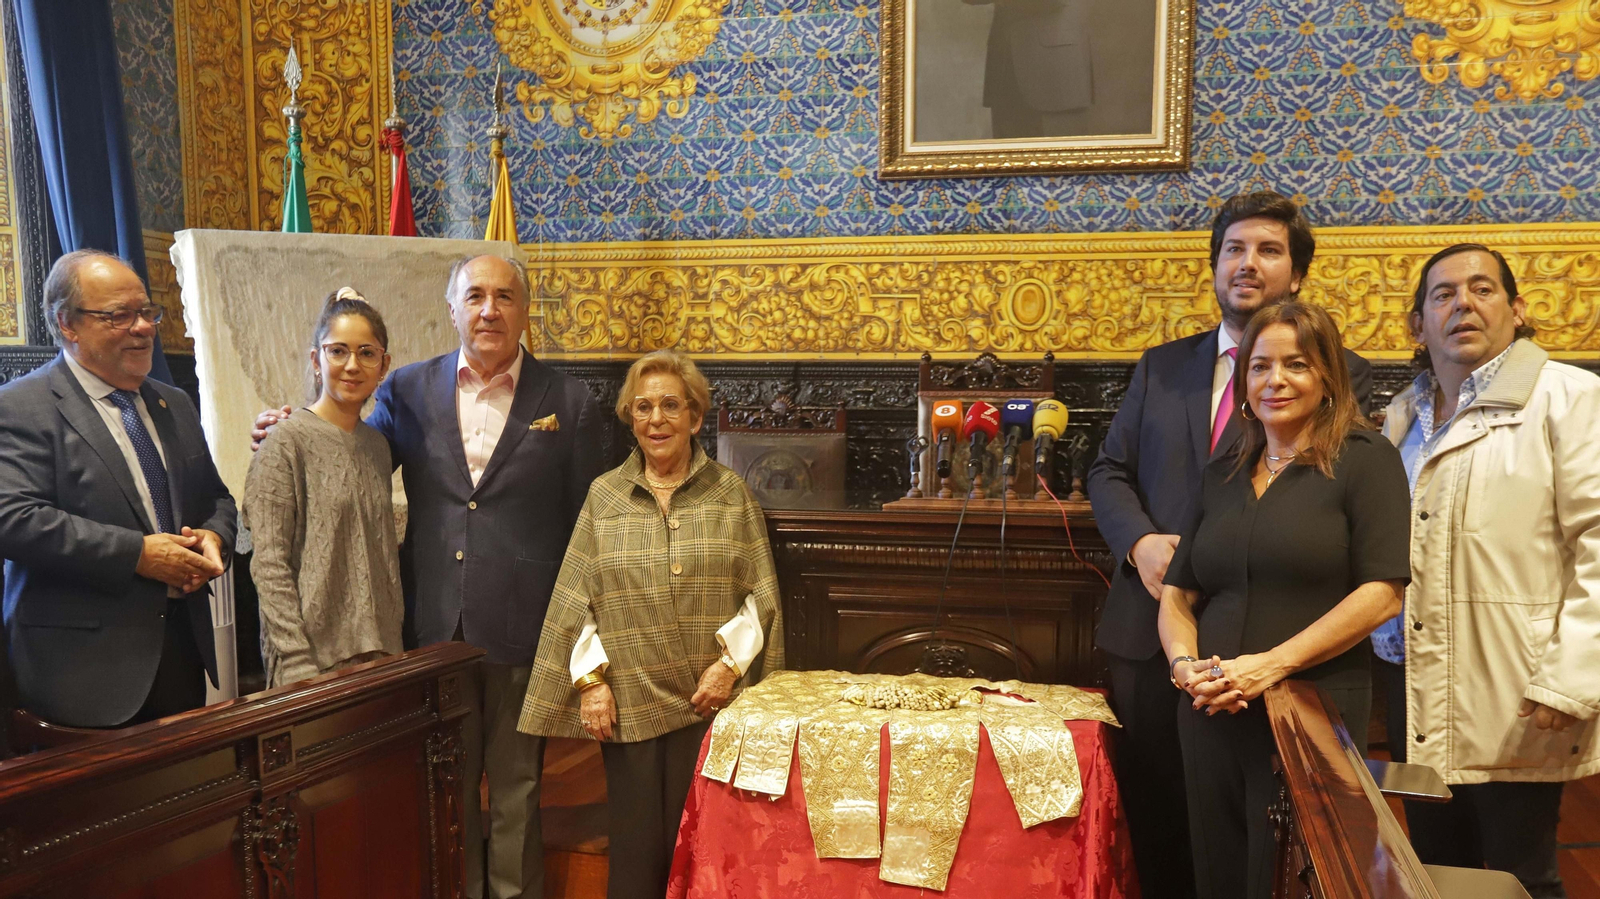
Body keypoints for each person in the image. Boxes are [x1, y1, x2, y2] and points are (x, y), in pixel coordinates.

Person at [253, 255, 606, 899]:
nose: (490, 309)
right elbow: (351, 446)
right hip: (427, 627)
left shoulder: (570, 400)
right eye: (475, 296)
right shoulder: (408, 388)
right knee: (440, 783)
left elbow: (594, 523)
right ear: (453, 310)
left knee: (518, 790)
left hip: (524, 627)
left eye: (504, 296)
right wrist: (288, 428)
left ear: (526, 311)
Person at [1086, 190, 1372, 899]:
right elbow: (1108, 470)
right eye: (1234, 249)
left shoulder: (1343, 371)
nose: (1248, 264)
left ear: (1297, 274)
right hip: (1157, 637)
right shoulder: (1162, 366)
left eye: (1268, 250)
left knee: (1262, 845)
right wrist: (1143, 543)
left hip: (1270, 643)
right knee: (1155, 822)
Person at [1158, 301, 1411, 899]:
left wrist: (1267, 668)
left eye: (1295, 364)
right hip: (1209, 709)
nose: (1275, 380)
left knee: (1290, 880)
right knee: (1217, 873)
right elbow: (1178, 590)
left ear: (1326, 376)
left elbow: (1382, 595)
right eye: (1260, 366)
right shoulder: (1226, 466)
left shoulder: (1365, 459)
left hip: (1309, 712)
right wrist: (1182, 666)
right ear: (1243, 381)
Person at [1373, 244, 1600, 899]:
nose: (1462, 304)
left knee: (1517, 877)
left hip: (1520, 687)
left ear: (1517, 308)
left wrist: (1572, 673)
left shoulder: (1569, 397)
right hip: (1414, 682)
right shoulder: (1401, 417)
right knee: (1442, 873)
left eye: (1482, 289)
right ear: (1418, 324)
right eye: (1443, 294)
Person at [517, 349, 784, 899]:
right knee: (637, 853)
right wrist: (591, 684)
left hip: (709, 697)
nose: (656, 419)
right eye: (643, 407)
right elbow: (575, 600)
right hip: (630, 695)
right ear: (629, 419)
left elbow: (761, 597)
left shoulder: (730, 493)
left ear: (695, 416)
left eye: (670, 405)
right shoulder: (604, 496)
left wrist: (730, 667)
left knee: (705, 842)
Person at [0, 250, 235, 727]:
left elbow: (216, 499)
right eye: (120, 316)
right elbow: (14, 519)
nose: (144, 327)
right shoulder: (21, 406)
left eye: (147, 312)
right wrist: (137, 554)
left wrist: (214, 539)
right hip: (81, 672)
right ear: (68, 324)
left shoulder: (175, 402)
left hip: (179, 655)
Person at [245, 287, 402, 688]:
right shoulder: (285, 440)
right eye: (338, 351)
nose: (352, 365)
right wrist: (296, 659)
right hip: (312, 662)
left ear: (383, 366)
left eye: (367, 353)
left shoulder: (378, 446)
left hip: (381, 653)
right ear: (317, 360)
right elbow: (269, 564)